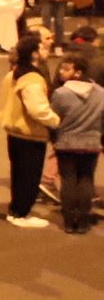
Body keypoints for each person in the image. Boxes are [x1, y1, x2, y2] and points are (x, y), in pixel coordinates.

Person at [0, 34, 60, 228]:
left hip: (14, 130)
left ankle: (16, 209)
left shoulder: (14, 73)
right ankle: (21, 212)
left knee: (18, 173)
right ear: (34, 53)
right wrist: (57, 121)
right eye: (42, 47)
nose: (46, 50)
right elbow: (38, 110)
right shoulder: (32, 79)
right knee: (29, 175)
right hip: (30, 133)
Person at [49, 54, 102, 234]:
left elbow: (54, 118)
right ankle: (84, 220)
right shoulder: (101, 93)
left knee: (68, 180)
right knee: (87, 179)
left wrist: (54, 137)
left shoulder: (61, 93)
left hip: (66, 142)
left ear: (78, 72)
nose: (61, 72)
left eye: (66, 69)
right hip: (92, 143)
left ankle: (70, 220)